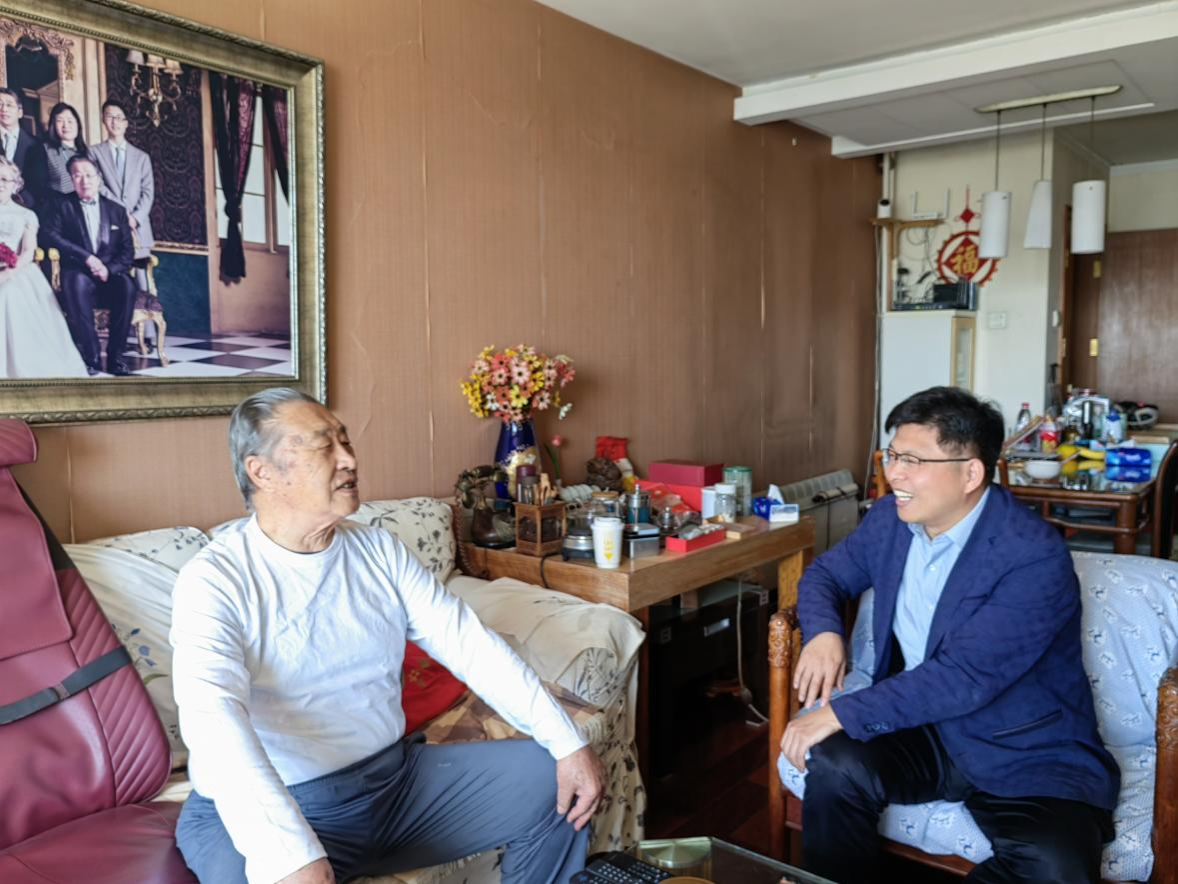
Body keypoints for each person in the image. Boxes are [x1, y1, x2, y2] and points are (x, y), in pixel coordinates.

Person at [170, 388, 606, 884]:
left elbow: (470, 645)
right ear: (262, 472)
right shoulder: (216, 580)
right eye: (324, 446)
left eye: (346, 441)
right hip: (284, 802)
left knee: (555, 779)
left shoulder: (378, 549)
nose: (348, 459)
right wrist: (289, 855)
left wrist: (567, 742)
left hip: (393, 785)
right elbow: (214, 721)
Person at [781, 386, 1119, 884]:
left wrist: (837, 712)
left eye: (913, 460)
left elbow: (965, 676)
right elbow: (825, 575)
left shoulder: (1034, 555)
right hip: (920, 726)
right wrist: (824, 633)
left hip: (1021, 744)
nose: (894, 473)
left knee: (1056, 867)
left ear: (971, 473)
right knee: (836, 763)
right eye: (892, 455)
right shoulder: (890, 522)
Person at [40, 155, 137, 376]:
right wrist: (86, 257)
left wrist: (108, 269)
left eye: (89, 175)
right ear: (71, 179)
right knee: (74, 283)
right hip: (78, 269)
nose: (84, 181)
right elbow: (50, 235)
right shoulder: (61, 205)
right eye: (77, 175)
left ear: (99, 178)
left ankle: (116, 358)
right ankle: (91, 357)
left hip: (109, 272)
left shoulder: (117, 210)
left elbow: (127, 252)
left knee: (127, 286)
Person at [0, 156, 87, 378]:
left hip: (16, 271)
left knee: (7, 294)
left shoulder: (26, 215)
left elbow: (28, 251)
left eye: (5, 180)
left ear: (15, 185)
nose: (0, 184)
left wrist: (9, 272)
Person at [89, 99, 162, 353]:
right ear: (103, 120)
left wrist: (136, 217)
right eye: (110, 116)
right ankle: (111, 334)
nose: (115, 122)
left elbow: (148, 192)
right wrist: (122, 214)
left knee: (143, 278)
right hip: (109, 225)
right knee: (112, 274)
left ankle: (149, 335)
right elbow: (98, 186)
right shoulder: (94, 152)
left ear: (127, 123)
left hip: (138, 227)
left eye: (119, 117)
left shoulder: (142, 157)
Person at [0, 87, 47, 210]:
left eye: (9, 105)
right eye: (0, 104)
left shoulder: (36, 144)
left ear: (20, 112)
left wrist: (20, 204)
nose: (4, 109)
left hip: (25, 207)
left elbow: (39, 182)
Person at [40, 102, 90, 211]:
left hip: (86, 210)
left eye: (70, 121)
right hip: (59, 210)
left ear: (78, 124)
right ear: (53, 125)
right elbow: (40, 188)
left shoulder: (87, 152)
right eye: (60, 121)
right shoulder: (45, 150)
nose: (66, 125)